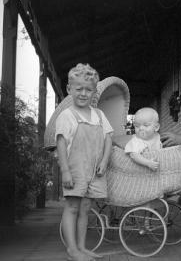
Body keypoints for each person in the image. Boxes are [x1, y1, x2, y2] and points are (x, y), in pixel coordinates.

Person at [55, 63, 113, 261]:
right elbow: (61, 145)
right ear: (69, 89)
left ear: (94, 92)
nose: (83, 93)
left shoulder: (99, 115)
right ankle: (72, 249)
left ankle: (82, 247)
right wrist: (65, 171)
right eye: (78, 89)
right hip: (76, 168)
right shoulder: (67, 116)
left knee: (86, 208)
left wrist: (105, 161)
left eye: (88, 90)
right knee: (72, 207)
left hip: (95, 169)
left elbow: (108, 139)